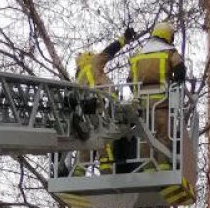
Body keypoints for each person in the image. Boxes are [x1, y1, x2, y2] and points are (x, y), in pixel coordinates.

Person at [71, 27, 136, 175]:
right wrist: (124, 39)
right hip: (101, 107)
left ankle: (77, 175)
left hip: (85, 115)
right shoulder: (93, 64)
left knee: (86, 146)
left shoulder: (78, 80)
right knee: (104, 142)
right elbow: (109, 52)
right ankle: (107, 173)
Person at [129, 21, 186, 171]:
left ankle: (148, 168)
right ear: (167, 35)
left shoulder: (137, 55)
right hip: (161, 103)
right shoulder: (169, 51)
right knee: (163, 135)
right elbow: (180, 70)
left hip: (141, 104)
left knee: (146, 137)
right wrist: (175, 83)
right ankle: (163, 167)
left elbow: (129, 81)